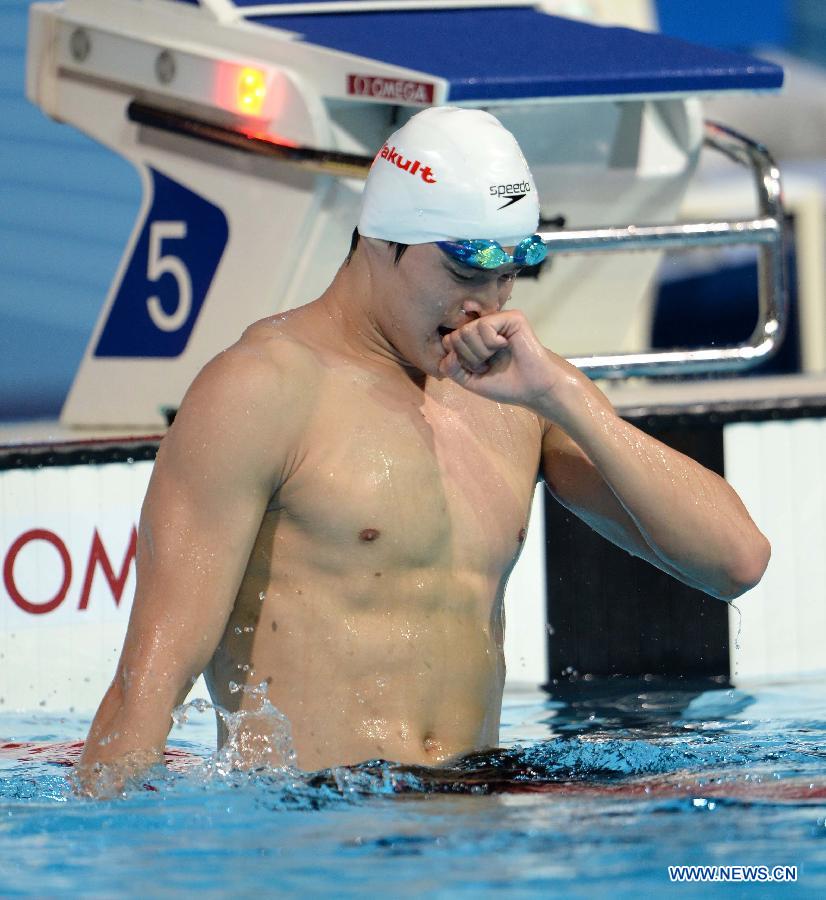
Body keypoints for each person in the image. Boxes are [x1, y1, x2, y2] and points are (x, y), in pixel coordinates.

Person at [75, 107, 770, 795]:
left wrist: (564, 395)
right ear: (383, 240)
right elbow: (147, 686)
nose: (488, 304)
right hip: (317, 833)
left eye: (508, 273)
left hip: (475, 822)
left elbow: (736, 560)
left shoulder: (520, 394)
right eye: (464, 271)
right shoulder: (261, 391)